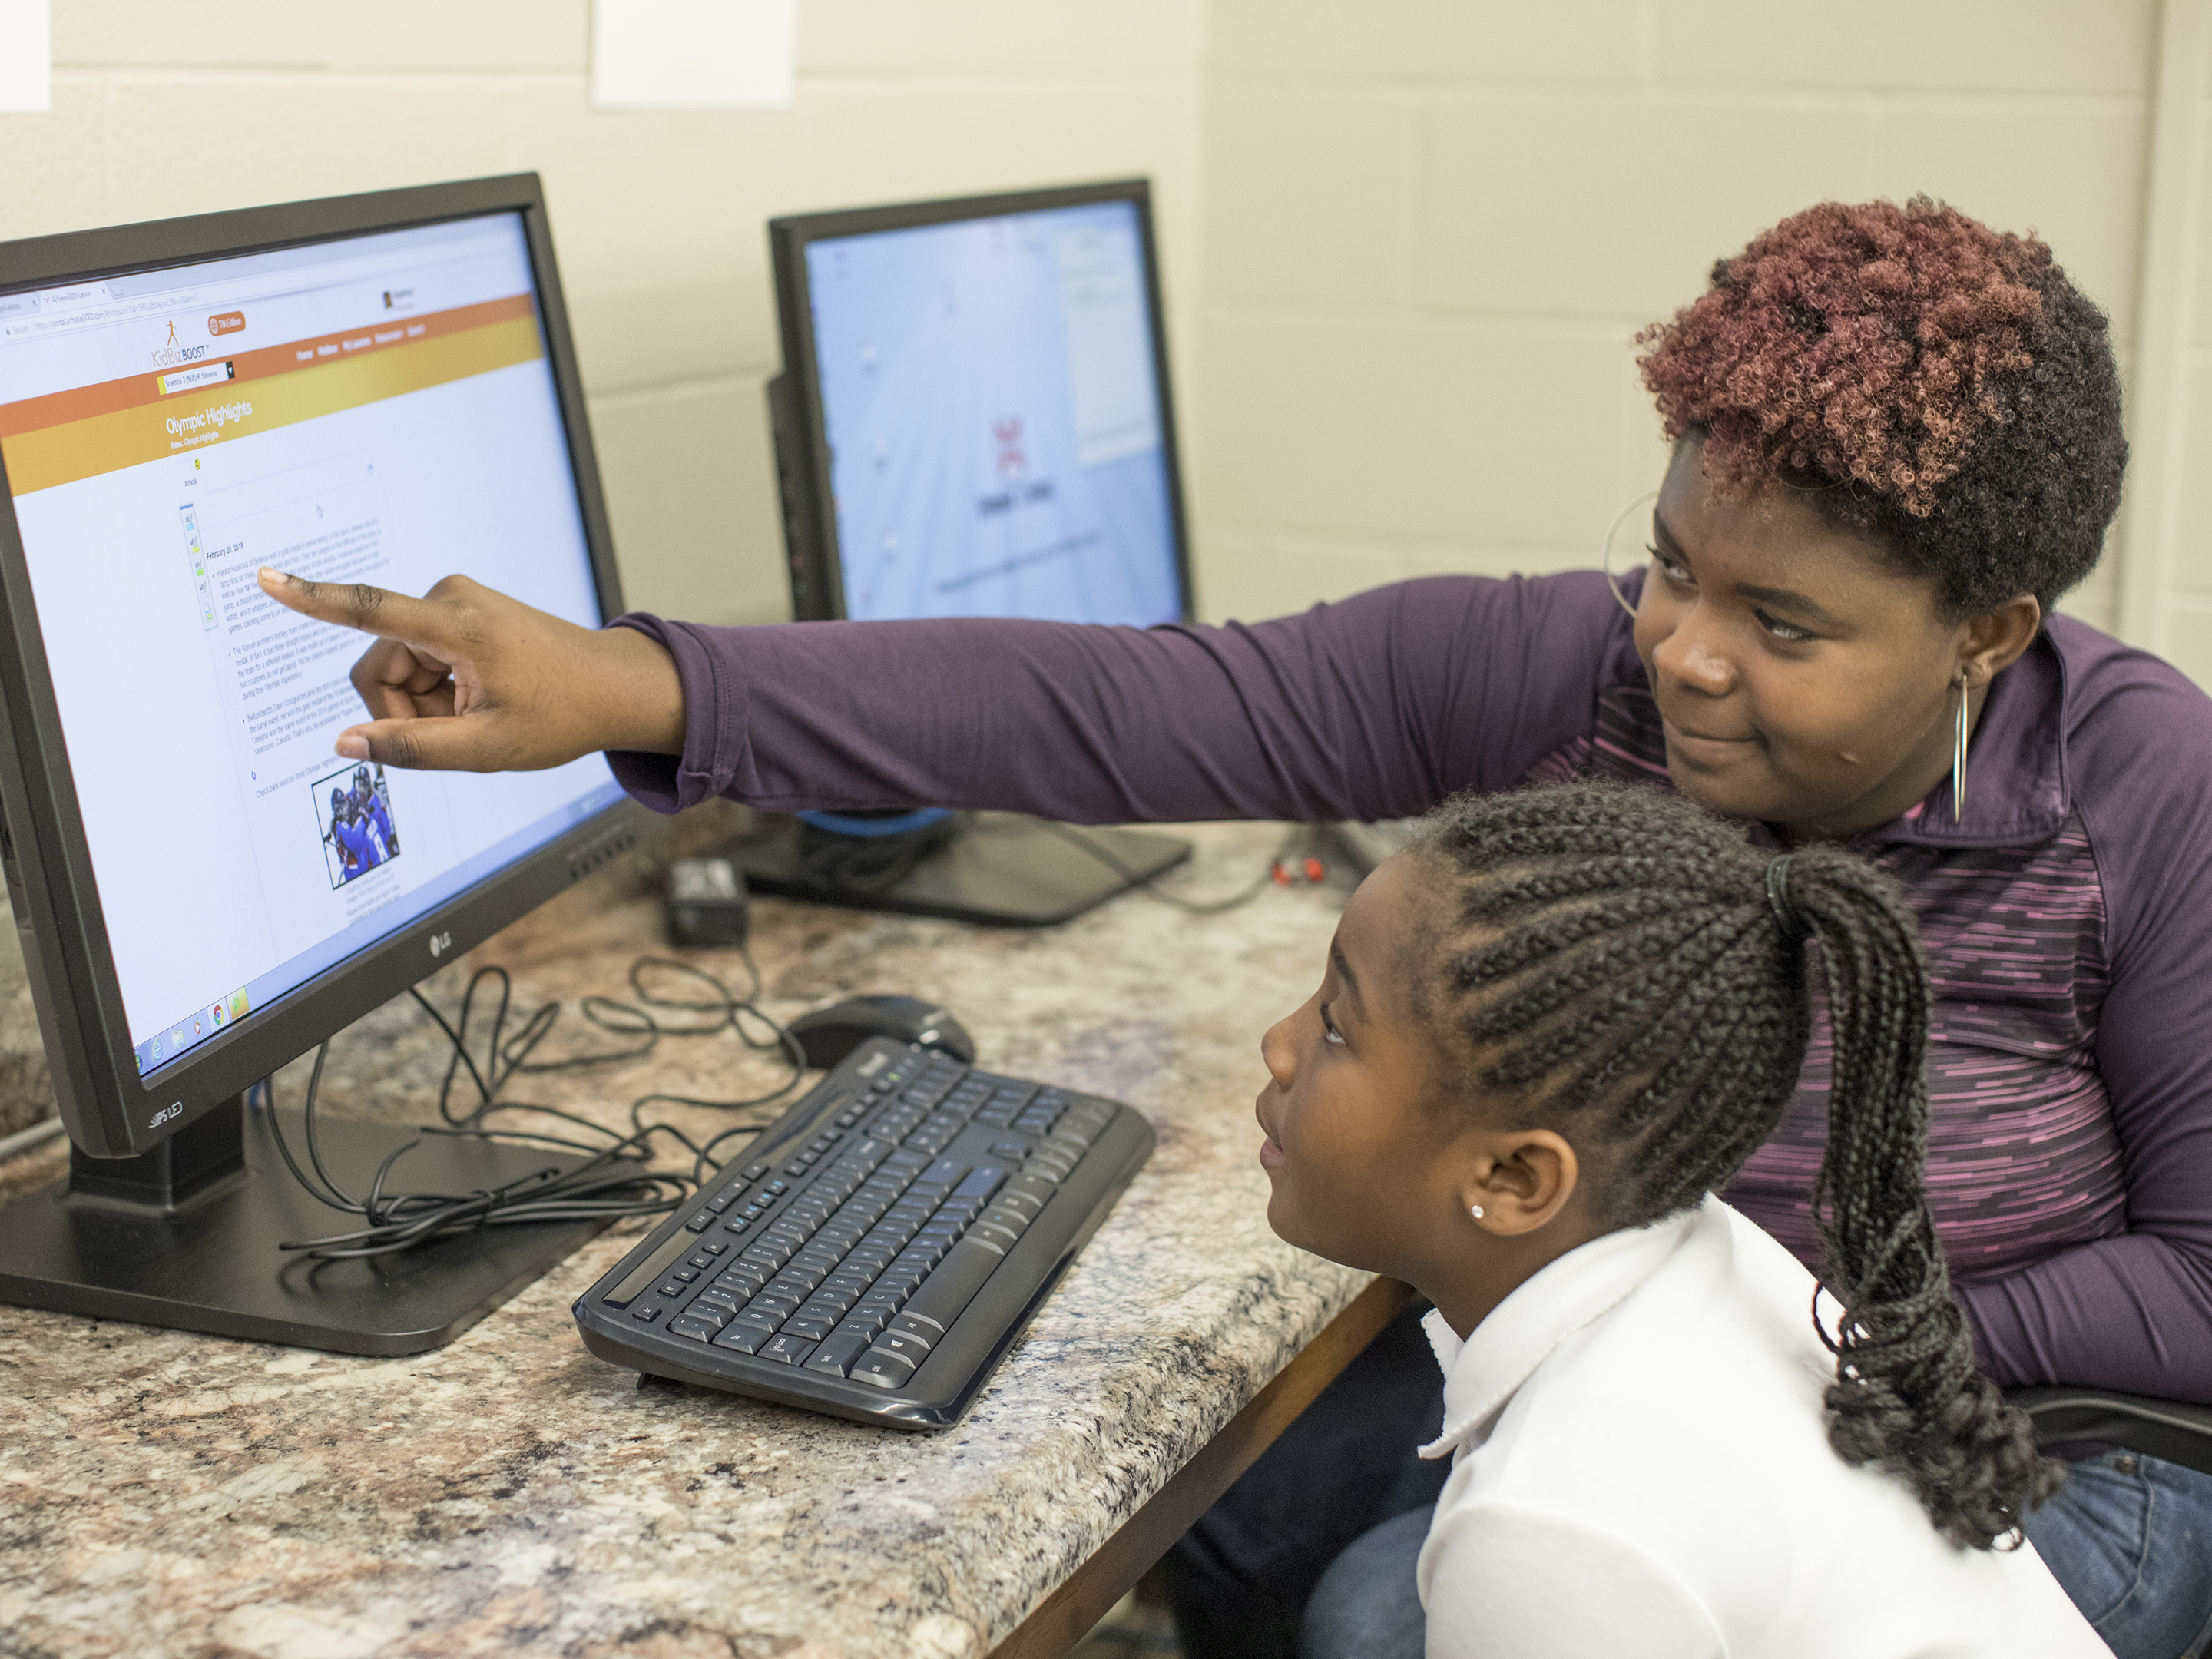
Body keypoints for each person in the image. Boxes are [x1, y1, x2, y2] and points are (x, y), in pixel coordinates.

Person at [253, 195, 2212, 1656]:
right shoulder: (1563, 678)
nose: (1685, 654)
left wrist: (1787, 1320)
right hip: (1613, 1345)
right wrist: (640, 686)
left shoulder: (2140, 787)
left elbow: (2203, 1288)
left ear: (1983, 634)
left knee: (1391, 1612)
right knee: (1159, 1465)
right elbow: (1127, 702)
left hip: (2034, 1452)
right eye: (1668, 567)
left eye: (1779, 626)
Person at [1261, 780, 2106, 1657]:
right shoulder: (1707, 1248)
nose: (1277, 1047)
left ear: (1513, 1179)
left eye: (1333, 1026)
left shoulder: (1557, 1525)